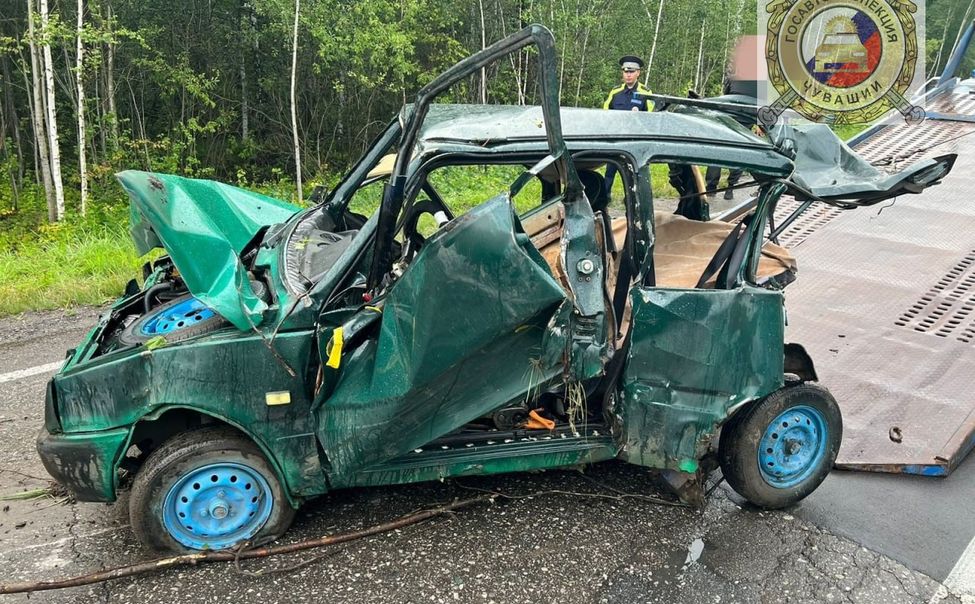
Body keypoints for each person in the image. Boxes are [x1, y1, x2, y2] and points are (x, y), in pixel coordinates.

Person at [602, 55, 653, 200]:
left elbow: (652, 117)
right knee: (609, 173)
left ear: (638, 73)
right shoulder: (615, 92)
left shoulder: (645, 93)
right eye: (625, 72)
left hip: (634, 142)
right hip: (616, 140)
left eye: (631, 72)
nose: (628, 75)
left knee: (633, 175)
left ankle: (632, 201)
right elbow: (605, 114)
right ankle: (604, 200)